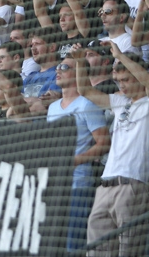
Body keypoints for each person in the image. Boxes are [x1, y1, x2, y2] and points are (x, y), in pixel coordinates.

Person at [72, 42, 149, 256]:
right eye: (118, 81)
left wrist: (120, 56)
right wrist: (79, 61)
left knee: (128, 252)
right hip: (105, 185)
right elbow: (85, 90)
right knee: (97, 251)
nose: (121, 86)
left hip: (133, 184)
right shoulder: (119, 101)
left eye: (126, 80)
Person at [47, 56, 110, 251]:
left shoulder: (86, 104)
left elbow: (104, 143)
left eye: (64, 67)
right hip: (55, 186)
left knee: (73, 245)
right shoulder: (52, 107)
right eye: (58, 66)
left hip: (79, 185)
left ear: (78, 73)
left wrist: (73, 162)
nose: (58, 69)